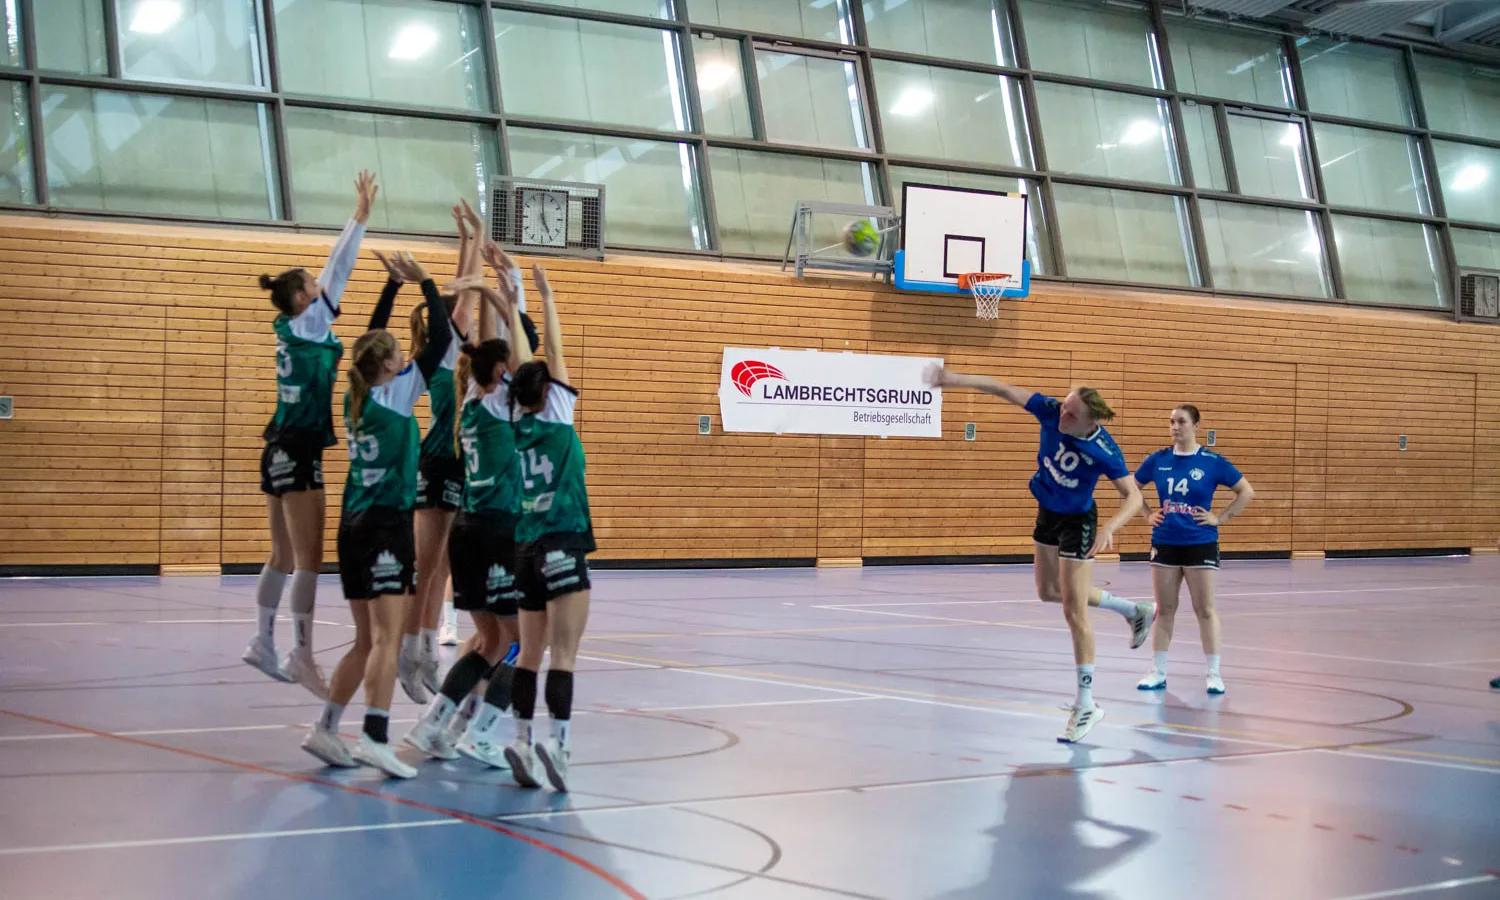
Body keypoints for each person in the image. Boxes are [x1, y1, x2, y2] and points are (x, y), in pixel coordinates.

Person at [924, 368, 1150, 744]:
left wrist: (1110, 527)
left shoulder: (1104, 450)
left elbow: (1135, 496)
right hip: (1048, 510)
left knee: (1073, 611)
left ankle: (1087, 704)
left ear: (1089, 422)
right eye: (1064, 407)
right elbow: (1002, 387)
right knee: (1048, 592)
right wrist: (953, 380)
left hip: (1079, 521)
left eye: (1072, 415)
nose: (1062, 415)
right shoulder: (1049, 409)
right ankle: (1133, 610)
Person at [300, 251, 452, 778]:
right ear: (390, 366)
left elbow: (370, 339)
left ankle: (325, 727)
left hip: (352, 526)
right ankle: (374, 736)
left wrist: (390, 287)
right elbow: (441, 343)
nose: (404, 361)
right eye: (397, 358)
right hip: (387, 525)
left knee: (366, 640)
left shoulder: (356, 396)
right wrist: (428, 284)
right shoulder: (398, 392)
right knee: (386, 640)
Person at [246, 170, 377, 699]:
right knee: (308, 559)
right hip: (298, 449)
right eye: (313, 288)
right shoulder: (307, 325)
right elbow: (339, 267)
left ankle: (262, 642)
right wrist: (360, 216)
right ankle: (301, 653)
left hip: (275, 445)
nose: (323, 291)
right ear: (302, 299)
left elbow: (331, 279)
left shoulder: (291, 330)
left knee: (280, 555)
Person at [405, 261, 533, 766]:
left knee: (487, 638)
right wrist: (508, 295)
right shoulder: (507, 404)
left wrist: (484, 292)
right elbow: (515, 353)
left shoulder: (471, 401)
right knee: (523, 643)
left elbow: (488, 348)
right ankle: (481, 732)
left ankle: (437, 723)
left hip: (466, 529)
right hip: (499, 530)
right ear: (503, 373)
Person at [503, 266, 595, 791]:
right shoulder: (560, 410)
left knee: (530, 653)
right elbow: (548, 353)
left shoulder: (517, 418)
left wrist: (513, 300)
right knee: (564, 655)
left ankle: (519, 737)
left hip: (525, 546)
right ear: (551, 389)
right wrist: (545, 296)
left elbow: (523, 361)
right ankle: (557, 748)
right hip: (563, 539)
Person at [397, 202, 481, 704]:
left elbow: (462, 288)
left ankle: (426, 650)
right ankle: (411, 655)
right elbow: (464, 289)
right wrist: (473, 239)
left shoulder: (456, 347)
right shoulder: (445, 349)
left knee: (441, 570)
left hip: (458, 466)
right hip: (436, 463)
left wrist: (469, 238)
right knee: (425, 569)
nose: (465, 316)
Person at [1133, 405, 1254, 695]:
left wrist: (1220, 518)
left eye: (1181, 422)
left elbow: (1246, 492)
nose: (1175, 427)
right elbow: (1130, 487)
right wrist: (1148, 514)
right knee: (1165, 610)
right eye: (1171, 422)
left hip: (1200, 541)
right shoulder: (1158, 460)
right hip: (1165, 541)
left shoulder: (1212, 462)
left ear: (1196, 426)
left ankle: (1213, 673)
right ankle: (1157, 671)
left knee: (1205, 609)